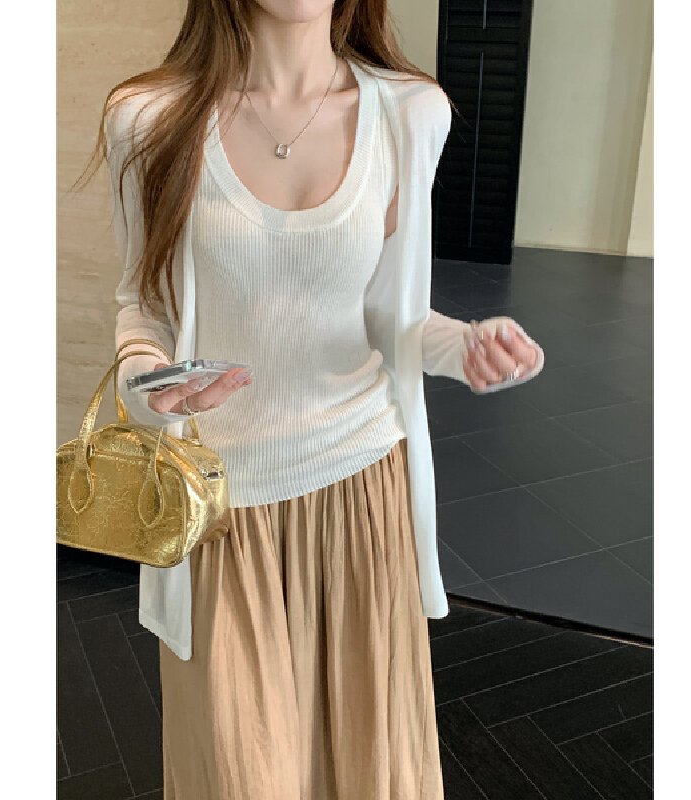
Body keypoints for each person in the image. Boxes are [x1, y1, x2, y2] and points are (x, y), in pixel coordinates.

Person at [91, 1, 544, 797]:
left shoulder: (410, 113)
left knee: (366, 769)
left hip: (362, 493)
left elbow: (394, 318)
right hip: (223, 510)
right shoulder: (149, 116)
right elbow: (143, 303)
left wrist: (467, 348)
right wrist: (147, 382)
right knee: (241, 771)